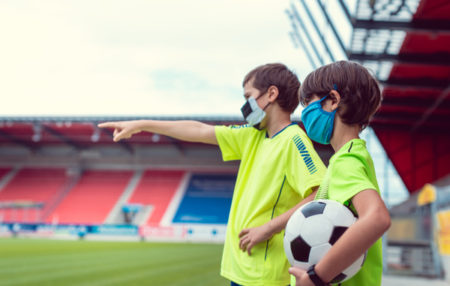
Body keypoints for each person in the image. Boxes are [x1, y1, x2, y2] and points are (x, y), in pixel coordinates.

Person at [98, 63, 326, 286]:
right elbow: (199, 130)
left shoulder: (294, 141)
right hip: (240, 268)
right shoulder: (252, 136)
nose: (245, 105)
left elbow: (320, 193)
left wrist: (268, 228)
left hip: (265, 275)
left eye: (248, 96)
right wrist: (141, 124)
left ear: (271, 94)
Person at [288, 61, 391, 286]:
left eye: (308, 103)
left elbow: (377, 217)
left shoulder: (346, 161)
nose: (304, 112)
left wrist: (315, 278)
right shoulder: (353, 154)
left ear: (333, 100)